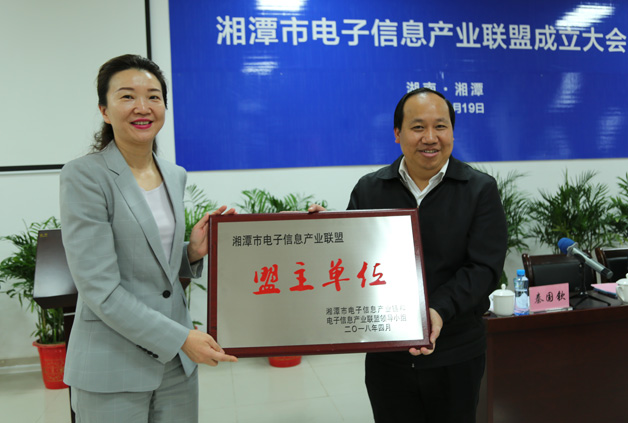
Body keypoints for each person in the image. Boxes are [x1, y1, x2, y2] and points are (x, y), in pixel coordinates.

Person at [311, 87, 507, 422]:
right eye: (418, 127)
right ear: (397, 134)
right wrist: (320, 233)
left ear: (452, 132)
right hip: (388, 354)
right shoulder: (370, 189)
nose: (430, 138)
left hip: (456, 353)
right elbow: (351, 259)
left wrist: (438, 311)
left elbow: (484, 268)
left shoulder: (479, 189)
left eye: (440, 126)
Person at [60, 54, 237, 423]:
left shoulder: (174, 174)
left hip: (176, 368)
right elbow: (99, 288)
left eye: (153, 96)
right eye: (127, 96)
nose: (143, 107)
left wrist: (191, 252)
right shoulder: (84, 176)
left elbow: (151, 262)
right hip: (113, 364)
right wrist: (181, 338)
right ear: (104, 110)